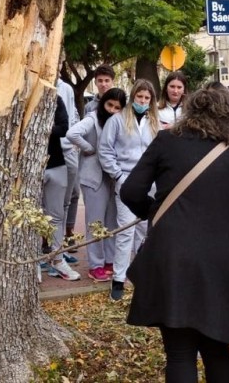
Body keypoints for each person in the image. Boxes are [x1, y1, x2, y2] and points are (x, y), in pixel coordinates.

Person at [121, 88, 229, 383]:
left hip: (171, 253)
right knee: (217, 348)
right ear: (228, 115)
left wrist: (155, 213)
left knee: (179, 352)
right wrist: (223, 220)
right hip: (220, 260)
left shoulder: (166, 141)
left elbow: (130, 191)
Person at [99, 79, 160, 301]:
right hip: (126, 180)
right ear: (133, 96)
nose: (143, 101)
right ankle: (118, 279)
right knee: (125, 230)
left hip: (150, 184)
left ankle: (143, 275)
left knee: (146, 231)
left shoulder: (155, 122)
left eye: (147, 98)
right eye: (139, 97)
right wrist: (118, 176)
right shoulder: (117, 120)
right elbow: (105, 150)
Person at [66, 88, 127, 282]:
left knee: (111, 220)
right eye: (109, 105)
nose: (112, 110)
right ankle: (95, 264)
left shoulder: (120, 122)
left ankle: (109, 260)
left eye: (118, 107)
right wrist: (88, 148)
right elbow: (72, 133)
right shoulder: (92, 118)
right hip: (93, 178)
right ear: (103, 103)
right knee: (95, 222)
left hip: (113, 177)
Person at [42, 96, 81, 281]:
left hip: (56, 164)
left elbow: (63, 127)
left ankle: (57, 260)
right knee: (30, 217)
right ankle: (33, 262)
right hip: (30, 166)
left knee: (56, 216)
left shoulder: (55, 98)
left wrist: (39, 129)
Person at [56, 75, 81, 250]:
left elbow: (72, 117)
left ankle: (68, 234)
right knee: (57, 199)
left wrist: (73, 143)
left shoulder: (66, 89)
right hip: (50, 150)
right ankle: (52, 242)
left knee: (73, 193)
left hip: (67, 147)